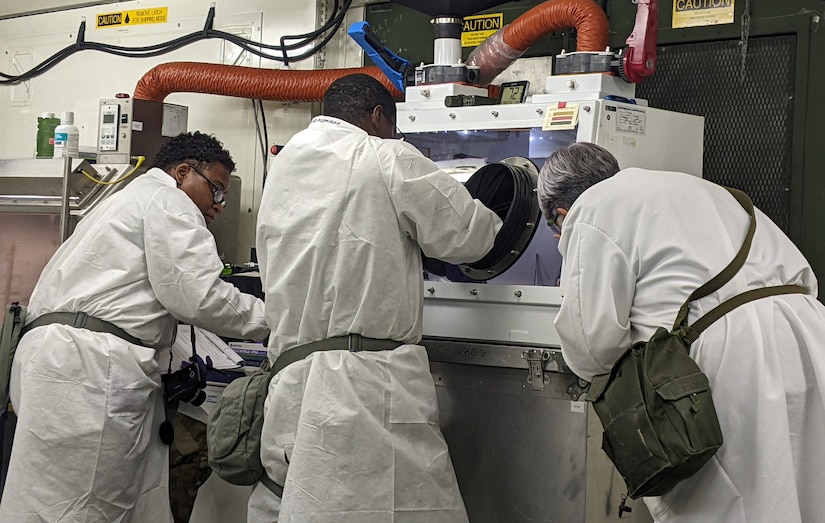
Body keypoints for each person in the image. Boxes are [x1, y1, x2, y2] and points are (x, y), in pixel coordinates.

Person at [250, 73, 502, 522]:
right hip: (363, 384)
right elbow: (469, 236)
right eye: (393, 126)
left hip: (290, 377)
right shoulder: (383, 155)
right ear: (376, 116)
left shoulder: (284, 166)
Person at [537, 141, 825, 523]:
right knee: (807, 489)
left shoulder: (589, 212)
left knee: (731, 503)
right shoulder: (690, 187)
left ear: (561, 214)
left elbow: (591, 348)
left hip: (735, 358)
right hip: (807, 333)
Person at [0, 132, 269, 523]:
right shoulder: (169, 201)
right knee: (81, 505)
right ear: (181, 172)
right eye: (215, 190)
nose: (219, 206)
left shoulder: (126, 200)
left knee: (53, 495)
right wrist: (274, 319)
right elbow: (199, 296)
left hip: (59, 359)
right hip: (90, 368)